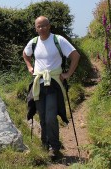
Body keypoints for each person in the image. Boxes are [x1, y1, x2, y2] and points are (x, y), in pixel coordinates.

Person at [23, 16, 80, 158]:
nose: (41, 28)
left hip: (54, 83)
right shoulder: (34, 42)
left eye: (44, 25)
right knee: (42, 116)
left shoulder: (58, 40)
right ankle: (45, 145)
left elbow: (75, 56)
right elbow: (25, 54)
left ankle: (54, 147)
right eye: (38, 26)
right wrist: (30, 67)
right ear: (35, 28)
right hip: (38, 83)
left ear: (49, 26)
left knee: (50, 117)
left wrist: (67, 74)